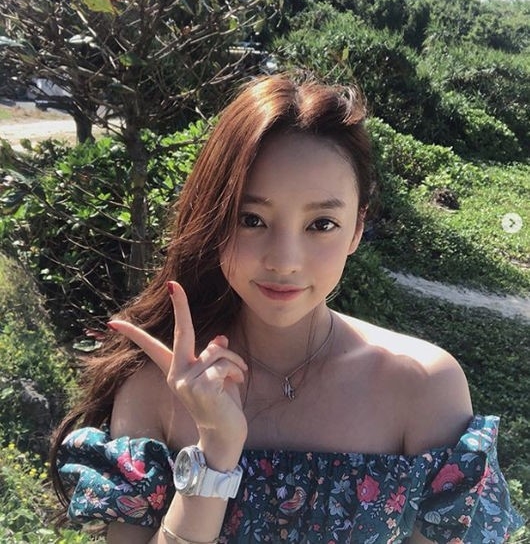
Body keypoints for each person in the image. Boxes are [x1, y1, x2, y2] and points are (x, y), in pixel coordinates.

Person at [50, 74, 522, 544]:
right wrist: (213, 456)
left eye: (321, 224)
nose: (284, 260)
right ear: (215, 220)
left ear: (357, 229)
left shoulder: (422, 387)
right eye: (251, 219)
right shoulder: (156, 387)